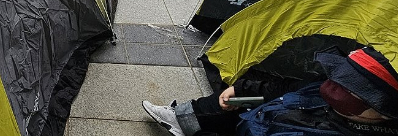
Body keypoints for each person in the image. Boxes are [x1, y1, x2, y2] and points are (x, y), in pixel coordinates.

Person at [143, 47, 398, 136]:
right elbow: (287, 89)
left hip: (265, 127)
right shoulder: (334, 94)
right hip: (268, 114)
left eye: (349, 89)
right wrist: (240, 89)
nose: (335, 89)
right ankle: (182, 118)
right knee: (228, 101)